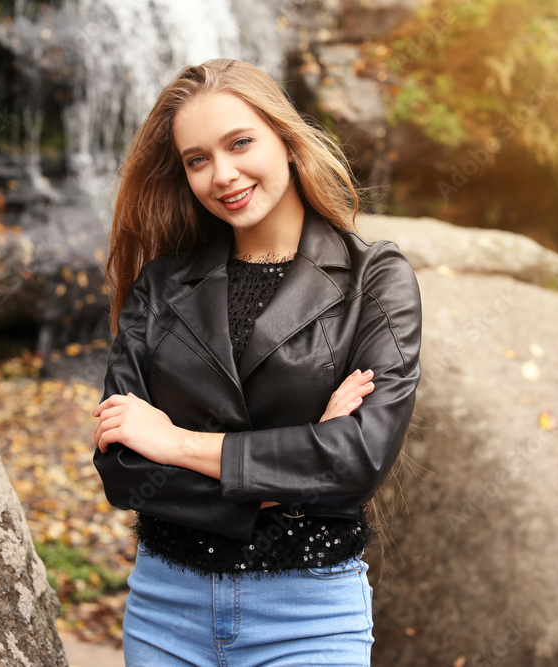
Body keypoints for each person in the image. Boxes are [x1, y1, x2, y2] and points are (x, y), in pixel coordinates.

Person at [92, 58, 421, 666]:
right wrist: (298, 470)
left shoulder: (375, 278)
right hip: (166, 611)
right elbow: (125, 471)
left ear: (288, 141)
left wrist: (176, 443)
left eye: (240, 142)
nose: (223, 174)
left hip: (309, 616)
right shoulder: (161, 286)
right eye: (197, 159)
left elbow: (358, 459)